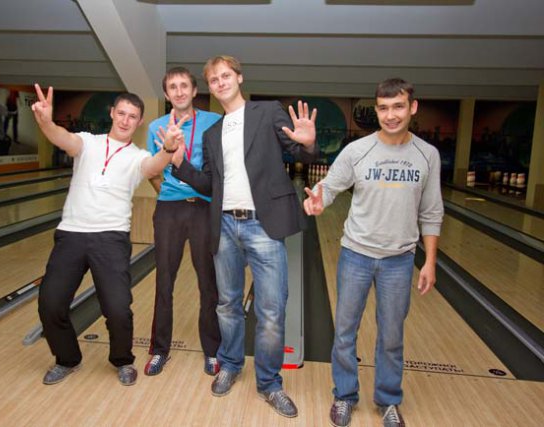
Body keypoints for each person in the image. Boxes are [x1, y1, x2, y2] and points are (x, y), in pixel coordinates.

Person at [170, 55, 317, 418]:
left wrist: (308, 143)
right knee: (227, 305)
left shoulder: (267, 112)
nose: (220, 82)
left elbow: (296, 148)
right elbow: (209, 183)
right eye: (214, 79)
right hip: (224, 226)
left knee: (271, 310)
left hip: (262, 225)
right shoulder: (212, 133)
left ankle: (269, 383)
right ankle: (231, 364)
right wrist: (179, 163)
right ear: (210, 87)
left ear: (239, 77)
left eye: (225, 76)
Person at [303, 78, 444, 427]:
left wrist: (429, 261)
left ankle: (388, 400)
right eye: (383, 108)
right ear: (376, 110)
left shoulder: (427, 155)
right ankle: (344, 395)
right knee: (345, 331)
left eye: (398, 107)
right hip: (356, 255)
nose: (390, 115)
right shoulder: (357, 150)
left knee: (392, 336)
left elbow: (431, 212)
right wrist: (319, 200)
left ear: (412, 107)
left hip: (399, 260)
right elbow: (330, 185)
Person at [31, 84, 186, 387]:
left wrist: (168, 150)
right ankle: (67, 359)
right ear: (112, 113)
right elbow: (62, 138)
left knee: (117, 309)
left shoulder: (138, 157)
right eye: (122, 113)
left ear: (139, 122)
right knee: (50, 304)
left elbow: (153, 166)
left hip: (111, 239)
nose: (126, 120)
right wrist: (46, 122)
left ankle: (122, 360)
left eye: (133, 116)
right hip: (71, 235)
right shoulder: (87, 143)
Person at [144, 67, 222, 377]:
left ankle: (212, 350)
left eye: (184, 86)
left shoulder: (213, 122)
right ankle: (159, 350)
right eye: (172, 87)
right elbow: (152, 170)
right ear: (166, 94)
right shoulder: (156, 127)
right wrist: (167, 193)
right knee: (164, 281)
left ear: (194, 90)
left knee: (208, 283)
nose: (179, 91)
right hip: (169, 210)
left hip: (203, 208)